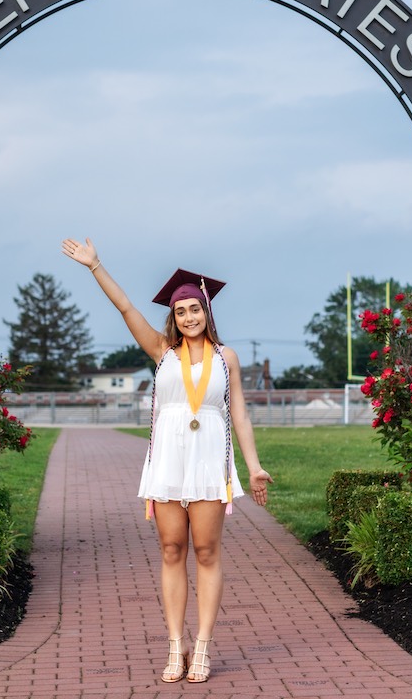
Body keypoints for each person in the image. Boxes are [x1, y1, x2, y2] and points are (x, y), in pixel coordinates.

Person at [61, 237, 273, 684]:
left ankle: (203, 648)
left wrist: (253, 467)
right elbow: (125, 310)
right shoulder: (162, 353)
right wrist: (96, 266)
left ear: (207, 311)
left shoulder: (225, 357)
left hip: (210, 463)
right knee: (172, 549)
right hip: (170, 465)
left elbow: (240, 414)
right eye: (181, 311)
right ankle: (175, 644)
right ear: (173, 318)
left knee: (206, 551)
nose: (189, 317)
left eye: (195, 308)